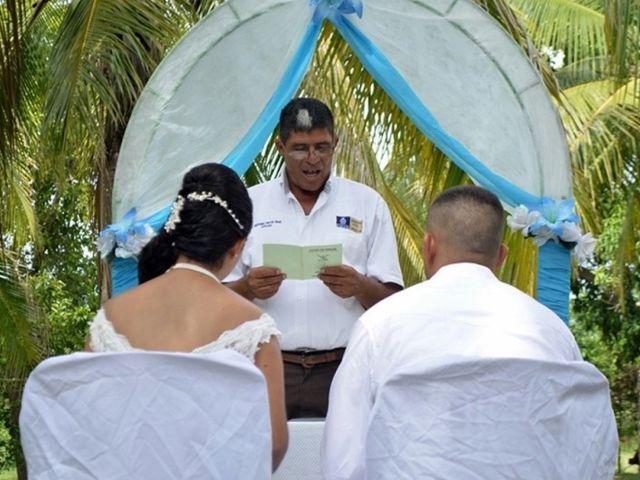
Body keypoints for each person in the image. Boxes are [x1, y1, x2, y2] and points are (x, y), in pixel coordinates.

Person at [323, 185, 585, 479]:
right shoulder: (551, 331)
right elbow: (583, 446)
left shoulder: (379, 326)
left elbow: (343, 460)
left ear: (428, 247)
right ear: (500, 256)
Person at [87, 163, 288, 471]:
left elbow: (87, 419)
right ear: (238, 246)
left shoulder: (110, 317)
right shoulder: (253, 327)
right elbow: (273, 442)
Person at [226, 97, 404, 418]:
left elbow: (393, 304)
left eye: (322, 147)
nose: (313, 159)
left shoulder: (367, 204)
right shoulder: (248, 205)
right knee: (264, 463)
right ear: (280, 147)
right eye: (300, 148)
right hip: (266, 366)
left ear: (336, 143)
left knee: (341, 465)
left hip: (344, 368)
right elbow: (214, 300)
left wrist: (359, 285)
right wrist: (248, 288)